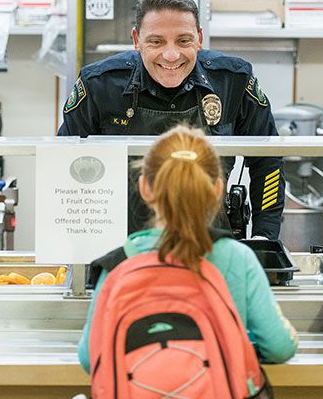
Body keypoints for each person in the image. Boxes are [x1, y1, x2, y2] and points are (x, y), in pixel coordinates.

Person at [58, 0, 284, 240]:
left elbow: (268, 158)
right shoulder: (99, 84)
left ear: (199, 38)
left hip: (211, 247)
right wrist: (77, 243)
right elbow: (63, 163)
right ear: (136, 40)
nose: (171, 55)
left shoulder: (233, 80)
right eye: (156, 41)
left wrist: (265, 237)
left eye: (183, 40)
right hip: (120, 247)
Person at [77, 125, 298, 374]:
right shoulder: (238, 259)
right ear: (217, 189)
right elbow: (280, 348)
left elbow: (88, 358)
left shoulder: (119, 264)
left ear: (145, 188)